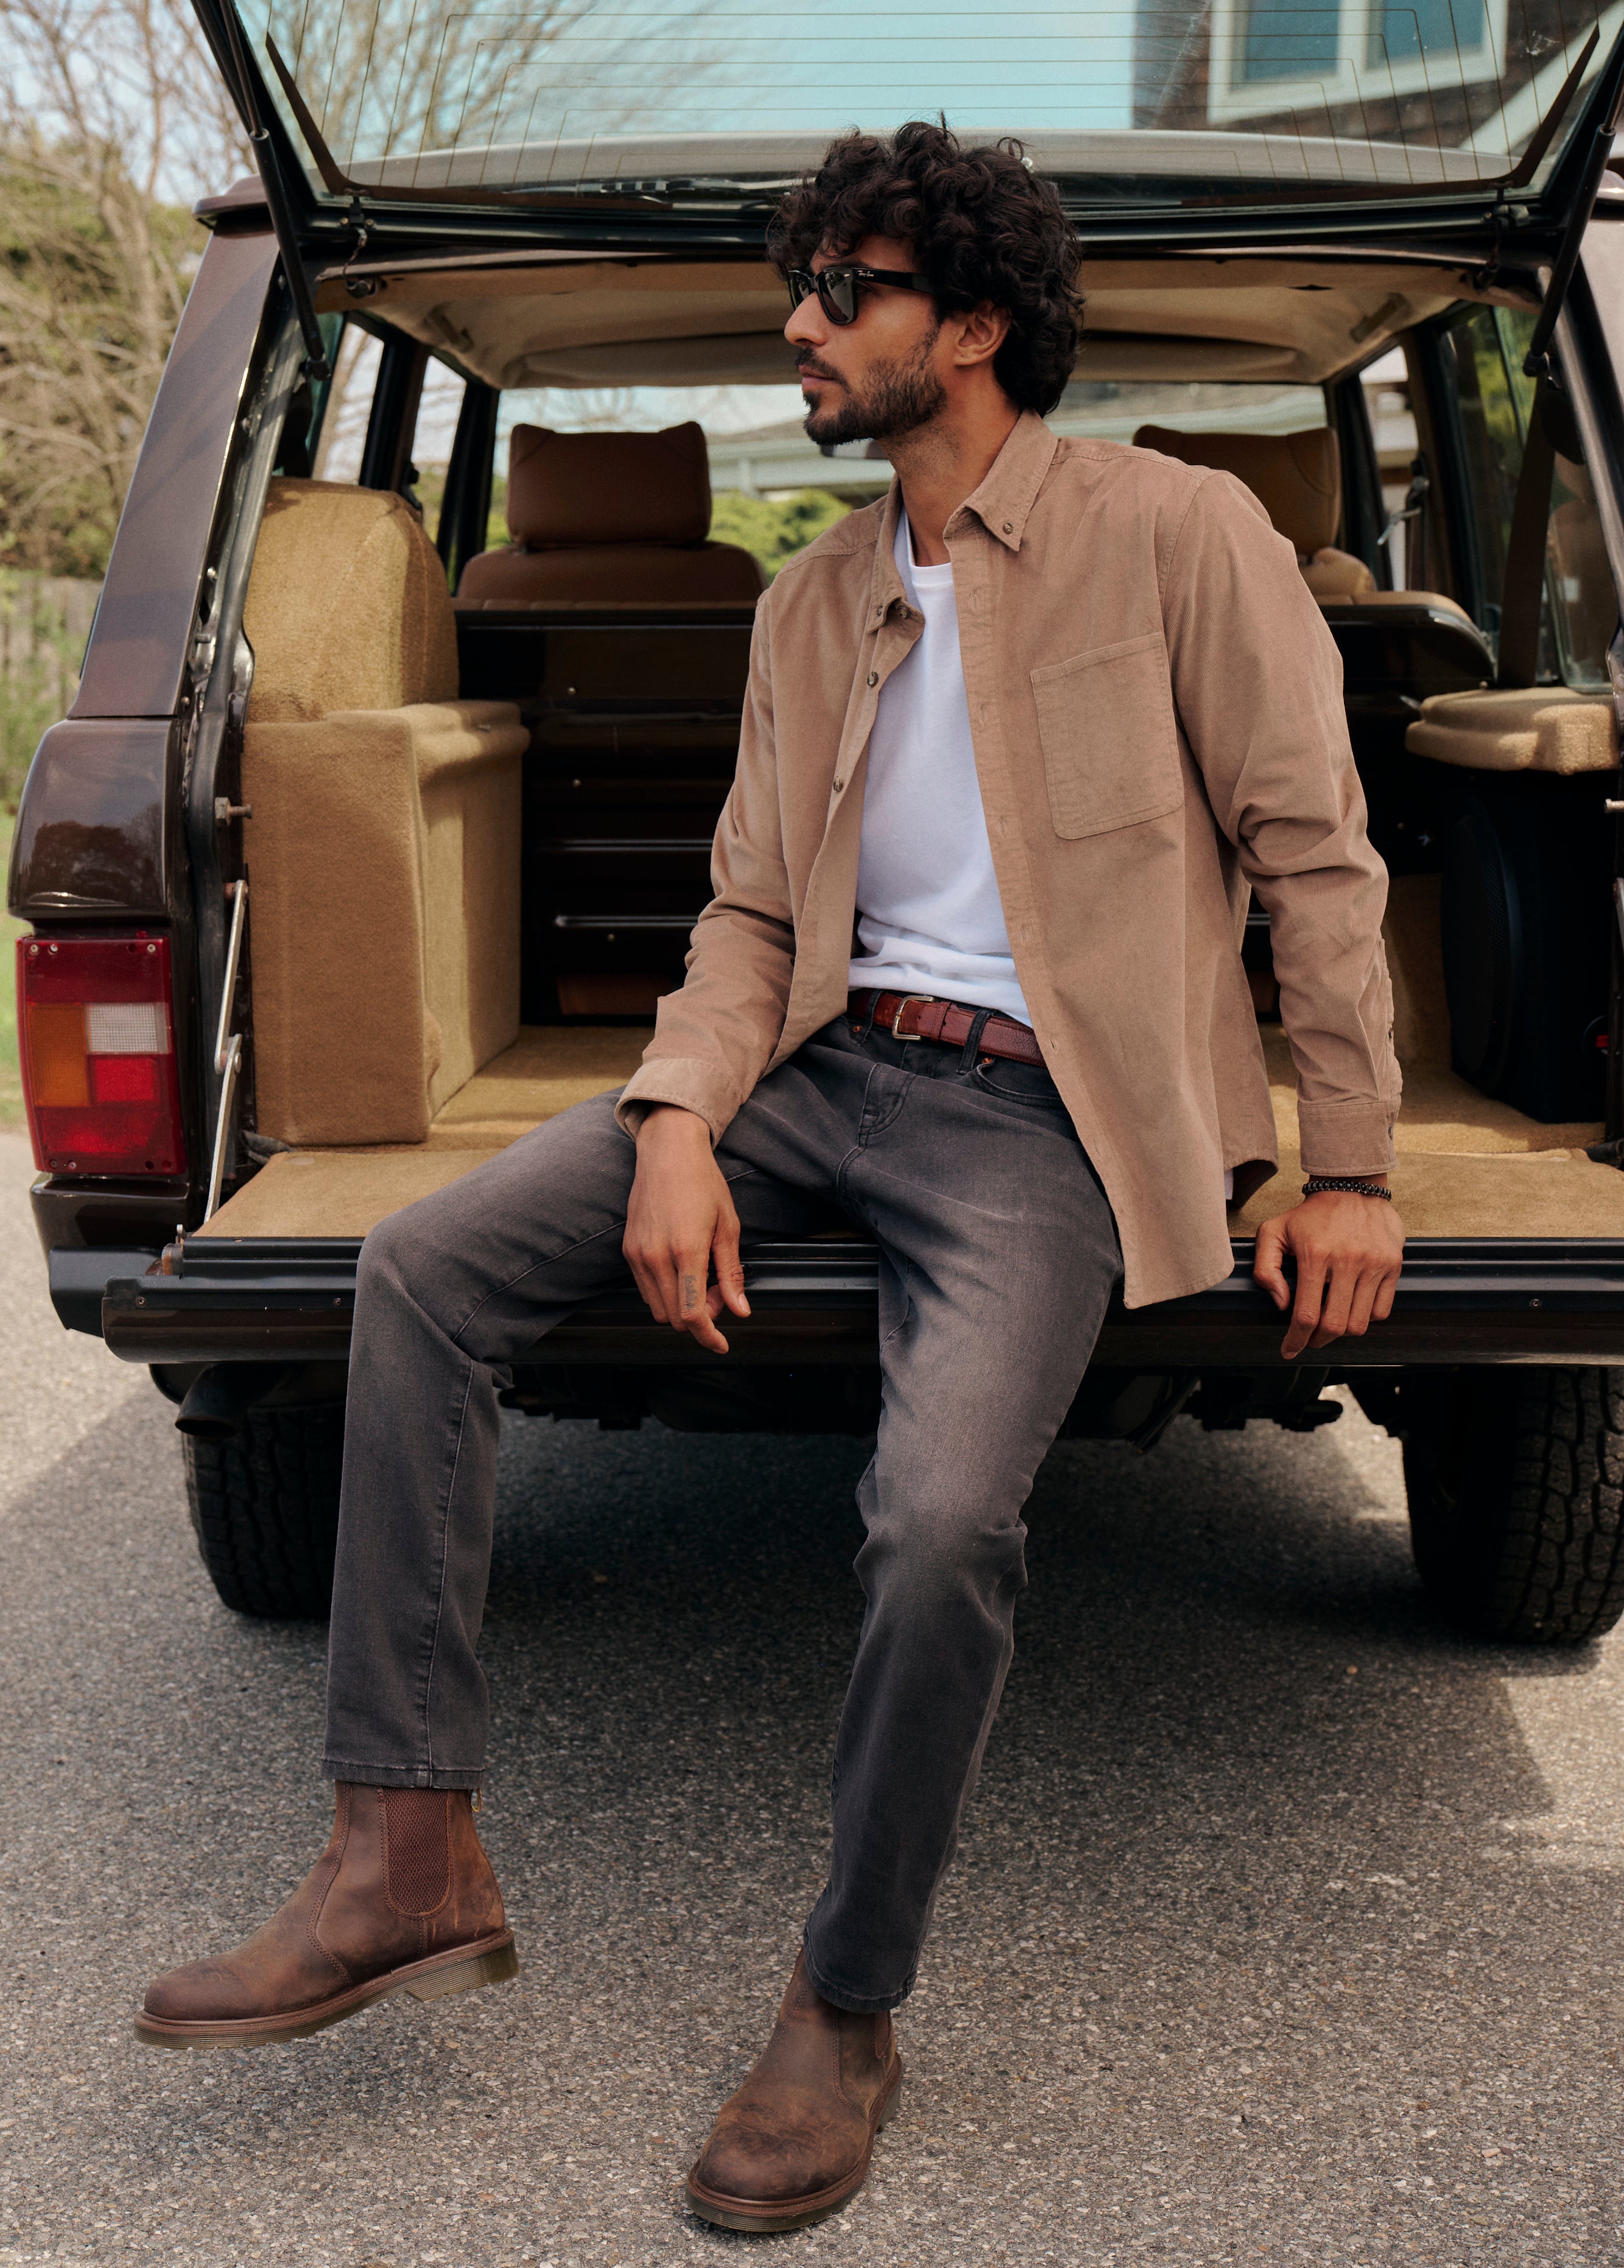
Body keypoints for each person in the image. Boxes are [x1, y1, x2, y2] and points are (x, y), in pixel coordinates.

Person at [137, 121, 1405, 2231]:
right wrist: (667, 1121)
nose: (797, 323)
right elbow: (744, 923)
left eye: (846, 291)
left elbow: (1315, 855)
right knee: (422, 1268)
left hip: (1044, 1121)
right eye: (800, 283)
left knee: (931, 1525)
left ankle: (845, 2004)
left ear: (975, 326)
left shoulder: (1179, 534)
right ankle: (400, 1855)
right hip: (816, 1077)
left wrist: (1348, 1162)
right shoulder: (813, 592)